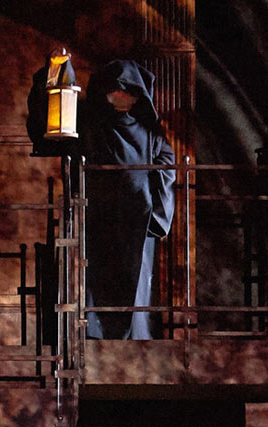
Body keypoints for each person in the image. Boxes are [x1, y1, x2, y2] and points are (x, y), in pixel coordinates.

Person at [82, 60, 175, 340]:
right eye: (116, 90)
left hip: (137, 218)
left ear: (136, 96)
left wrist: (153, 210)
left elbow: (167, 164)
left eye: (127, 91)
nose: (121, 95)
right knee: (100, 278)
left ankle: (136, 337)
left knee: (137, 281)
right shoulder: (95, 128)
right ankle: (98, 333)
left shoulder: (150, 133)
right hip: (102, 215)